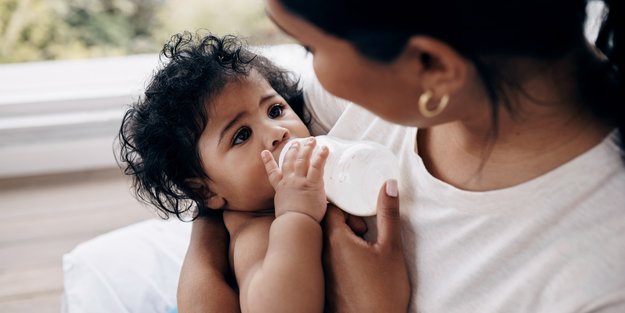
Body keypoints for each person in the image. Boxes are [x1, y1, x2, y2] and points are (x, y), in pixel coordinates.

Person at [178, 0, 625, 312]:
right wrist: (227, 216)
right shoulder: (392, 81)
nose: (279, 128)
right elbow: (224, 189)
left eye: (310, 48)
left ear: (431, 67)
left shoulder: (598, 283)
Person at [117, 31, 361, 313]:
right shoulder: (254, 230)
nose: (277, 132)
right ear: (205, 190)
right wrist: (297, 216)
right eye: (242, 135)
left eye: (275, 110)